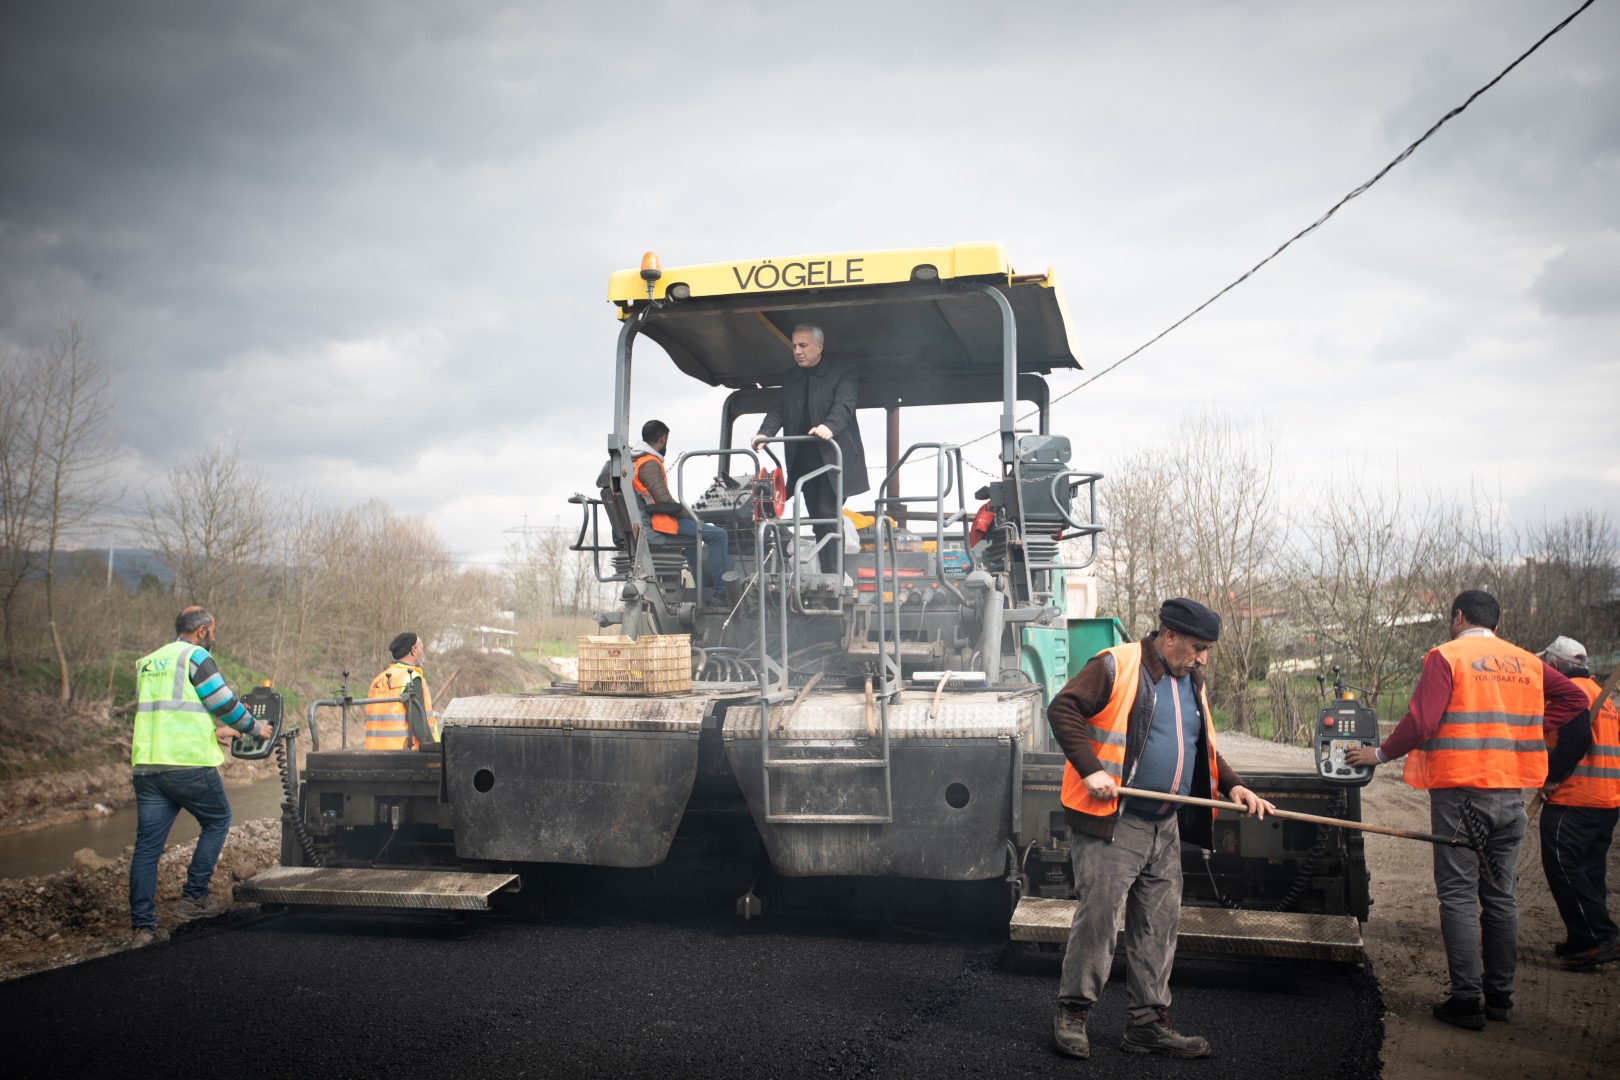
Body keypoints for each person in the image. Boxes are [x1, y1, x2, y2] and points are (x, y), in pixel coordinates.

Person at [1345, 590, 1592, 1029]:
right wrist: (1529, 725)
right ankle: (1499, 997)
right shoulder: (1525, 662)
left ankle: (1467, 999)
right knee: (1500, 896)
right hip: (1510, 795)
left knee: (1458, 895)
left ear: (1458, 616)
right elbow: (1575, 701)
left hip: (1461, 795)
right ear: (1497, 622)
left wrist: (1378, 755)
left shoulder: (1447, 656)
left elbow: (1421, 722)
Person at [1045, 598, 1275, 1059]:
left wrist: (1233, 786)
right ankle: (1073, 1012)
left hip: (1162, 826)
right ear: (1168, 636)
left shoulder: (1192, 681)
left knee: (1159, 924)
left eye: (1206, 649)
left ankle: (1147, 1023)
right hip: (1115, 821)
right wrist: (1090, 769)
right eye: (1198, 647)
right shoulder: (1117, 664)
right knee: (1100, 920)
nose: (1203, 657)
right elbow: (1063, 708)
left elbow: (1200, 745)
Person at [128, 606, 271, 947]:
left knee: (147, 849)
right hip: (187, 764)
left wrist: (213, 733)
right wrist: (255, 727)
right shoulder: (195, 657)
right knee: (218, 819)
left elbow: (170, 712)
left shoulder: (148, 662)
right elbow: (224, 703)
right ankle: (193, 898)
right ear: (203, 630)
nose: (215, 637)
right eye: (214, 630)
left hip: (148, 765)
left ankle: (142, 929)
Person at [750, 324, 868, 572]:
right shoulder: (790, 377)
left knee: (827, 513)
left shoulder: (842, 371)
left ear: (819, 346)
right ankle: (822, 575)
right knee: (814, 519)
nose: (797, 351)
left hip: (834, 461)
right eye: (794, 346)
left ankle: (834, 578)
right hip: (803, 462)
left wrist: (829, 427)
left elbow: (844, 405)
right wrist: (765, 433)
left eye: (803, 346)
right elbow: (779, 410)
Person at [1534, 635, 1619, 968]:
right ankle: (1584, 940)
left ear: (1555, 665)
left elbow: (1577, 739)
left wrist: (1551, 777)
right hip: (1606, 799)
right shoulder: (1601, 695)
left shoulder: (1572, 694)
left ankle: (1600, 936)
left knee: (1564, 865)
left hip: (1576, 797)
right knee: (1589, 870)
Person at [630, 419, 729, 602]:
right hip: (657, 525)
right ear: (663, 438)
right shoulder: (649, 463)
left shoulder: (636, 461)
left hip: (652, 522)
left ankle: (704, 589)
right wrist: (693, 516)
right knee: (719, 535)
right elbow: (664, 501)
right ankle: (721, 592)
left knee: (694, 536)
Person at [365, 633, 439, 750]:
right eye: (422, 648)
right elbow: (419, 725)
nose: (423, 653)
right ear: (414, 650)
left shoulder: (379, 679)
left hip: (374, 752)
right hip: (403, 755)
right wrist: (435, 750)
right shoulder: (410, 678)